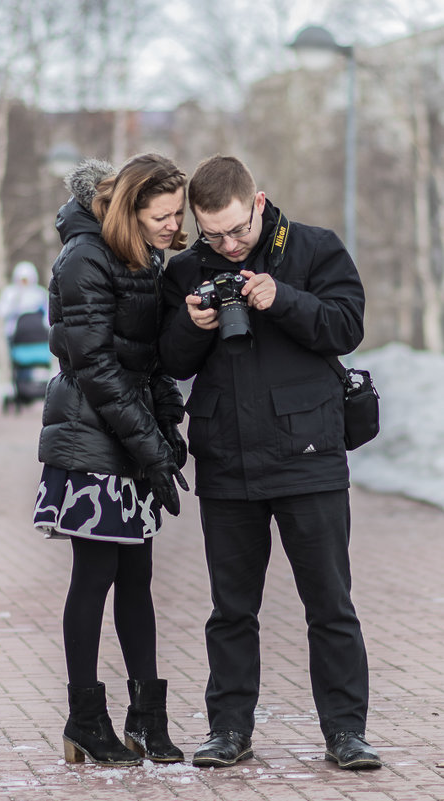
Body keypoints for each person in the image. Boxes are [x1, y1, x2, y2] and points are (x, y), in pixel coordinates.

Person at [159, 154, 381, 771]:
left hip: (308, 455)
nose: (228, 245)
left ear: (260, 202)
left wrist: (281, 298)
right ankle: (228, 731)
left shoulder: (314, 249)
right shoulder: (187, 271)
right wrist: (192, 321)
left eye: (237, 230)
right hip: (228, 461)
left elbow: (346, 327)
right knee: (231, 609)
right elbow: (173, 362)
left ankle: (346, 734)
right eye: (213, 234)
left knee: (330, 605)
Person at [33, 153, 190, 766]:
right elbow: (96, 368)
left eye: (178, 214)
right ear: (130, 208)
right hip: (91, 446)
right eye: (164, 215)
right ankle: (84, 720)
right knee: (93, 579)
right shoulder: (84, 258)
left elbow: (144, 359)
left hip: (129, 441)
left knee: (137, 583)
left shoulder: (141, 256)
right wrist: (151, 451)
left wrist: (169, 429)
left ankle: (146, 720)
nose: (174, 226)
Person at [0, 260, 50, 341]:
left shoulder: (39, 293)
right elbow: (1, 312)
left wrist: (45, 327)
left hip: (39, 336)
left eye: (26, 279)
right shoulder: (10, 293)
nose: (24, 282)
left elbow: (48, 312)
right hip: (17, 336)